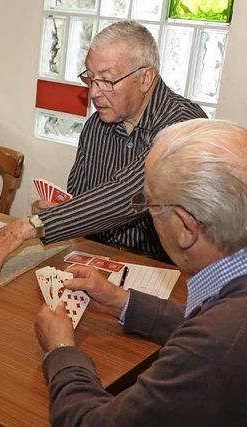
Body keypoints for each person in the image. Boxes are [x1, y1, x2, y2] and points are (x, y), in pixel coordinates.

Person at [0, 21, 206, 286]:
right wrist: (60, 210)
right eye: (90, 78)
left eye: (107, 80)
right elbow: (82, 199)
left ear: (145, 78)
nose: (93, 93)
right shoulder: (96, 125)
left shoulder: (184, 126)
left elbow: (132, 194)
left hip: (166, 275)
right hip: (96, 262)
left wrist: (32, 225)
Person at [35, 118, 247, 426]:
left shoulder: (217, 343)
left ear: (186, 227)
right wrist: (121, 302)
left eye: (150, 203)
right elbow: (207, 325)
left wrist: (61, 350)